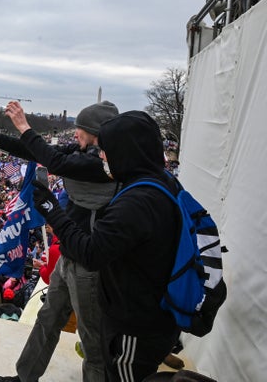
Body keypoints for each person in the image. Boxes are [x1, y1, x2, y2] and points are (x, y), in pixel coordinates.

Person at [0, 100, 119, 382]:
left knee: (93, 342)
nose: (75, 135)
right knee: (47, 320)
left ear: (96, 133)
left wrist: (24, 125)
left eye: (80, 129)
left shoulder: (104, 163)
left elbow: (55, 161)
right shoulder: (85, 152)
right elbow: (35, 151)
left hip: (90, 264)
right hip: (70, 256)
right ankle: (24, 378)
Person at [30, 111, 182, 381]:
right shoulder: (161, 182)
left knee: (105, 363)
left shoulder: (137, 201)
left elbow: (90, 254)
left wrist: (52, 209)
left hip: (136, 325)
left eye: (106, 150)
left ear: (126, 151)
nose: (101, 156)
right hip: (146, 316)